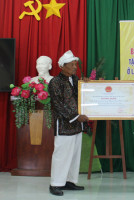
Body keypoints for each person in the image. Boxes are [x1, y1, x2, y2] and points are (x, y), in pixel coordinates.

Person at [48, 50, 89, 196]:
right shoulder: (55, 82)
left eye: (75, 64)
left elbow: (83, 95)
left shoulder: (75, 79)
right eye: (71, 64)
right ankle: (55, 184)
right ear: (62, 66)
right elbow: (57, 104)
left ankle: (70, 181)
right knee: (61, 154)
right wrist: (75, 116)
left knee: (74, 154)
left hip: (77, 125)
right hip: (64, 124)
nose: (74, 67)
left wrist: (87, 84)